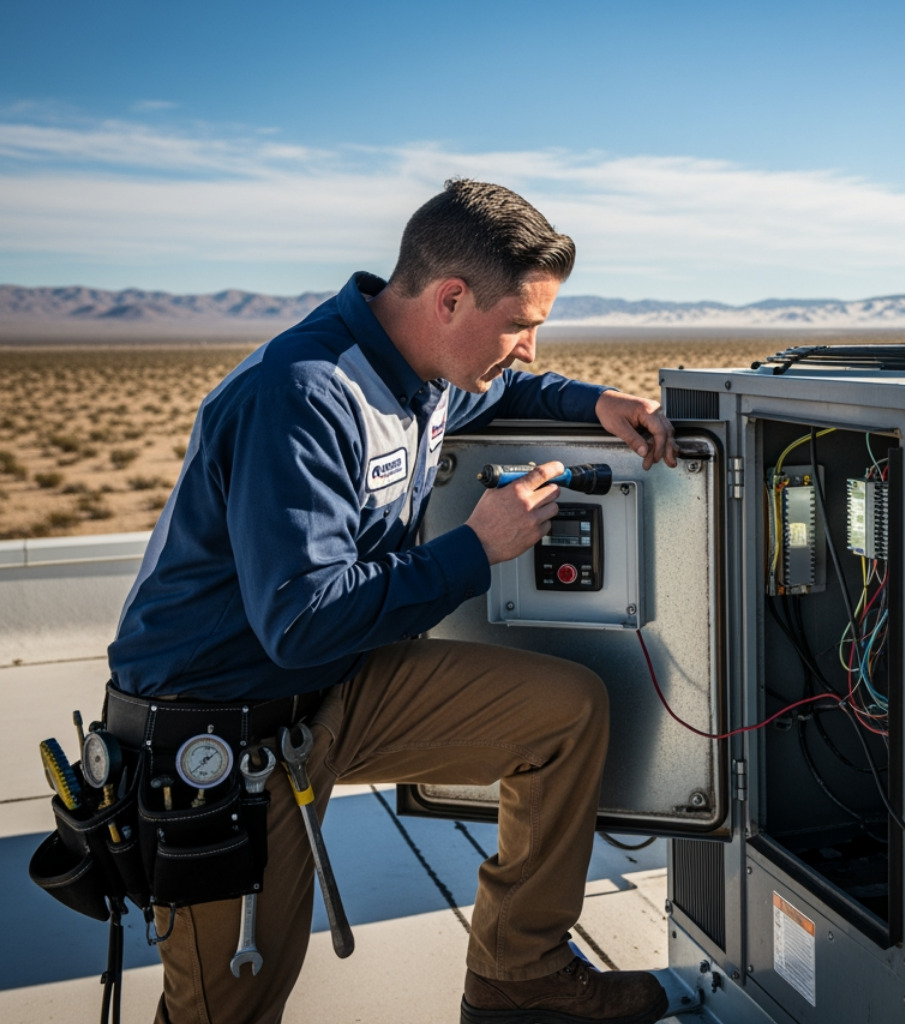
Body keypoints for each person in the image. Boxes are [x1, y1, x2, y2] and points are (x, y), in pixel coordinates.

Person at [106, 179, 677, 1024]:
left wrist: (589, 400)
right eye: (520, 324)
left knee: (565, 714)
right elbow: (300, 620)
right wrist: (475, 549)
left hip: (328, 687)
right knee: (230, 1006)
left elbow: (507, 391)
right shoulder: (301, 395)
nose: (527, 346)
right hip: (221, 725)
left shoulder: (425, 366)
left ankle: (517, 977)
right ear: (450, 298)